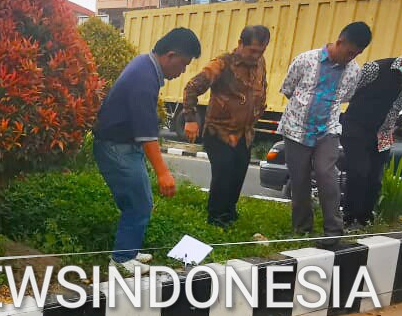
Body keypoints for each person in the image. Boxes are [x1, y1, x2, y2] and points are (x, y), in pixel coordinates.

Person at [94, 27, 201, 274]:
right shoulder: (144, 78)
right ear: (170, 55)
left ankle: (128, 251)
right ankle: (121, 260)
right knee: (139, 202)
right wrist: (163, 173)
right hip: (116, 147)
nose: (182, 71)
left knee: (137, 200)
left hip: (119, 144)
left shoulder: (145, 66)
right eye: (183, 64)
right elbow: (146, 132)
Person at [276, 22, 371, 249]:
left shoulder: (354, 71)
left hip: (327, 130)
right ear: (339, 42)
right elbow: (288, 88)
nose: (351, 58)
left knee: (326, 174)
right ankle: (302, 229)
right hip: (296, 128)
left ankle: (333, 232)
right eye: (349, 52)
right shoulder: (305, 60)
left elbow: (344, 96)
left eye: (357, 54)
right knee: (299, 180)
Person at [340, 38, 402, 229]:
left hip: (384, 131)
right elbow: (346, 93)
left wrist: (388, 130)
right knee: (359, 172)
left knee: (374, 178)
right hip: (357, 127)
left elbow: (397, 107)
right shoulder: (375, 69)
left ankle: (364, 218)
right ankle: (348, 217)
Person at [182, 25, 270, 228]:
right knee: (224, 174)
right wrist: (190, 118)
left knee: (238, 173)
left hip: (244, 133)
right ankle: (216, 219)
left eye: (261, 51)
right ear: (240, 44)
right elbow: (192, 87)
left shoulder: (260, 63)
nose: (256, 55)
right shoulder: (222, 64)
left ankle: (229, 214)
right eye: (253, 50)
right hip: (219, 132)